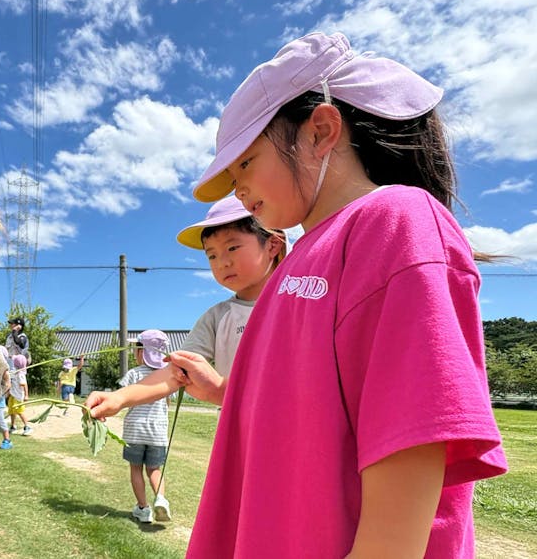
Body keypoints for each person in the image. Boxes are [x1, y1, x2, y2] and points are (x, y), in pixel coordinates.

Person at [168, 32, 507, 557]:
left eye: (246, 163)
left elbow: (414, 435)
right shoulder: (297, 262)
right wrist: (220, 393)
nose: (238, 187)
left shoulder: (394, 220)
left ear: (321, 131)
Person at [85, 196, 285, 421]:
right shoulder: (217, 318)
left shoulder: (301, 302)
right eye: (212, 255)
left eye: (232, 247)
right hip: (240, 429)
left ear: (272, 245)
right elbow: (175, 373)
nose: (222, 262)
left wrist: (220, 389)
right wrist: (119, 398)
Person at [119, 330, 174, 524]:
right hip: (157, 432)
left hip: (135, 430)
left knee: (136, 469)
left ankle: (143, 509)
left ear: (143, 352)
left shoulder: (134, 374)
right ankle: (161, 499)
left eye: (136, 349)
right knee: (154, 469)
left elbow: (123, 399)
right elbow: (168, 402)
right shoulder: (167, 376)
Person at [7, 354, 32, 435]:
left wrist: (26, 395)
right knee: (11, 411)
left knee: (19, 412)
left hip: (18, 397)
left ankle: (27, 426)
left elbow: (24, 385)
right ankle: (13, 426)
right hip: (12, 395)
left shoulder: (21, 374)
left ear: (16, 364)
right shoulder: (14, 372)